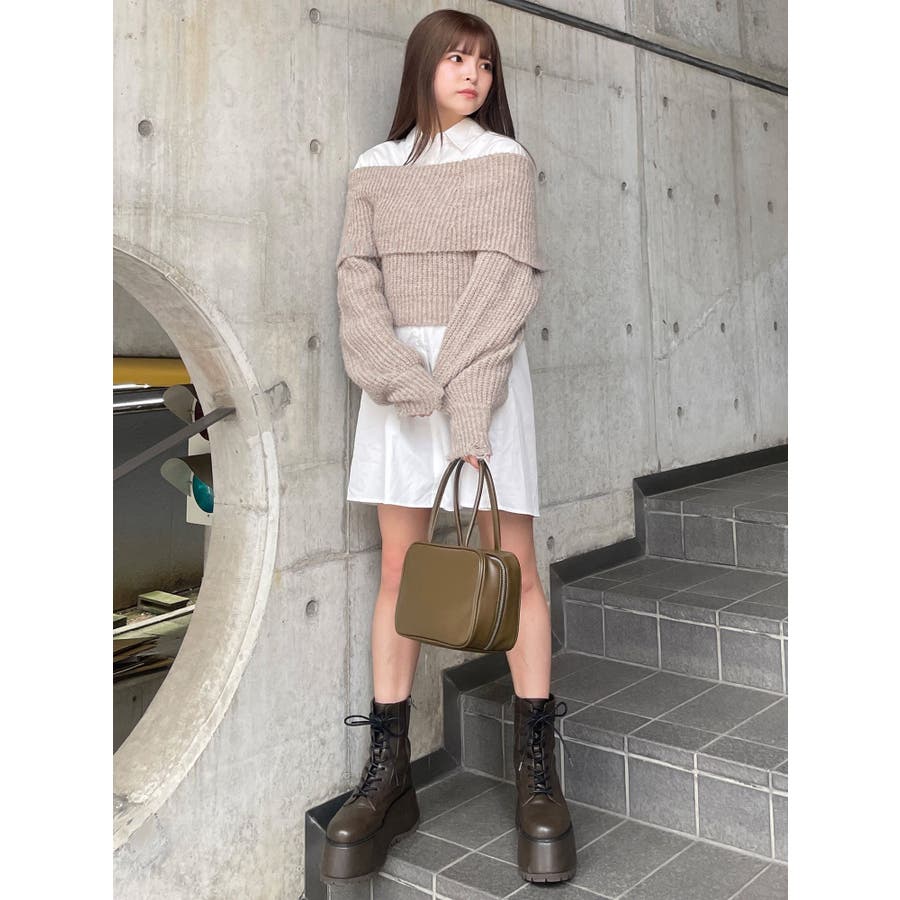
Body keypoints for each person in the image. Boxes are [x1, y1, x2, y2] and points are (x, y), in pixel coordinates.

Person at [321, 8, 577, 887]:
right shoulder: (374, 167)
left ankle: (537, 768)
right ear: (423, 65)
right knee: (400, 568)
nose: (473, 74)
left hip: (487, 375)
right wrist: (398, 376)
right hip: (398, 386)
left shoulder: (504, 160)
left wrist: (463, 401)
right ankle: (389, 770)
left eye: (486, 63)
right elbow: (356, 282)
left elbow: (506, 284)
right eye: (458, 58)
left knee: (516, 568)